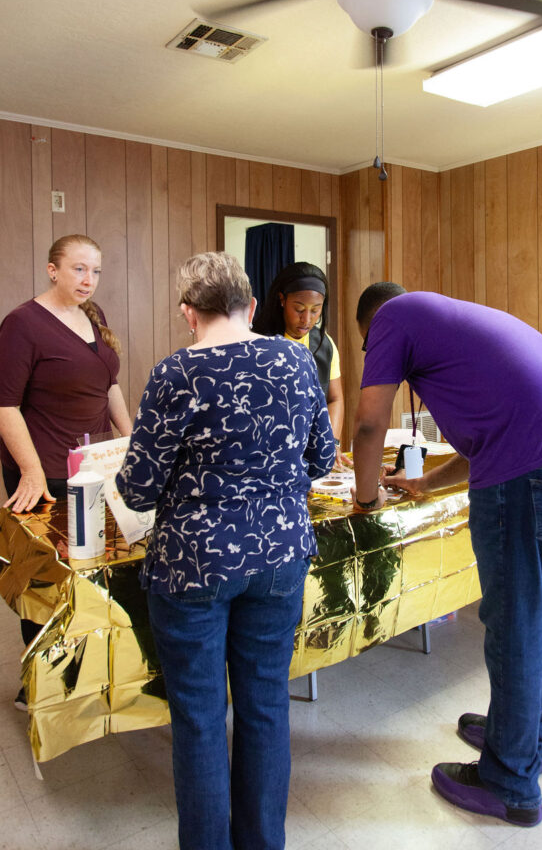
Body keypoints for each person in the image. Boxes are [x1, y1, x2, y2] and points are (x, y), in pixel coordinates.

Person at [351, 284, 542, 829]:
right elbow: (491, 440)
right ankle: (518, 734)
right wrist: (426, 482)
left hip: (538, 472)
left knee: (516, 622)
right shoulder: (455, 322)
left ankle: (509, 782)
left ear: (371, 326)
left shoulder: (391, 317)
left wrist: (365, 498)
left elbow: (368, 423)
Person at [116, 251, 335, 850]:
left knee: (200, 716)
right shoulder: (295, 359)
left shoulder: (175, 373)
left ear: (189, 313)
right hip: (280, 556)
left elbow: (137, 489)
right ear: (253, 305)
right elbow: (322, 457)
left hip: (195, 564)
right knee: (265, 705)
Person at [0, 233, 132, 707]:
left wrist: (132, 442)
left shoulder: (93, 316)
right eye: (78, 269)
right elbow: (5, 405)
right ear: (52, 270)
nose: (88, 279)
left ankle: (85, 670)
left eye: (95, 271)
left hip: (94, 466)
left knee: (93, 573)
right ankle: (41, 684)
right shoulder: (22, 324)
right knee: (48, 580)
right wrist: (31, 471)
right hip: (47, 472)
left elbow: (109, 385)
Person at [253, 261, 350, 467]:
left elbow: (335, 399)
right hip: (266, 455)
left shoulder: (325, 345)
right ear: (282, 300)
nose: (306, 319)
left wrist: (331, 444)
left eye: (315, 310)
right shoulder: (256, 342)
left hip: (312, 454)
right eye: (298, 309)